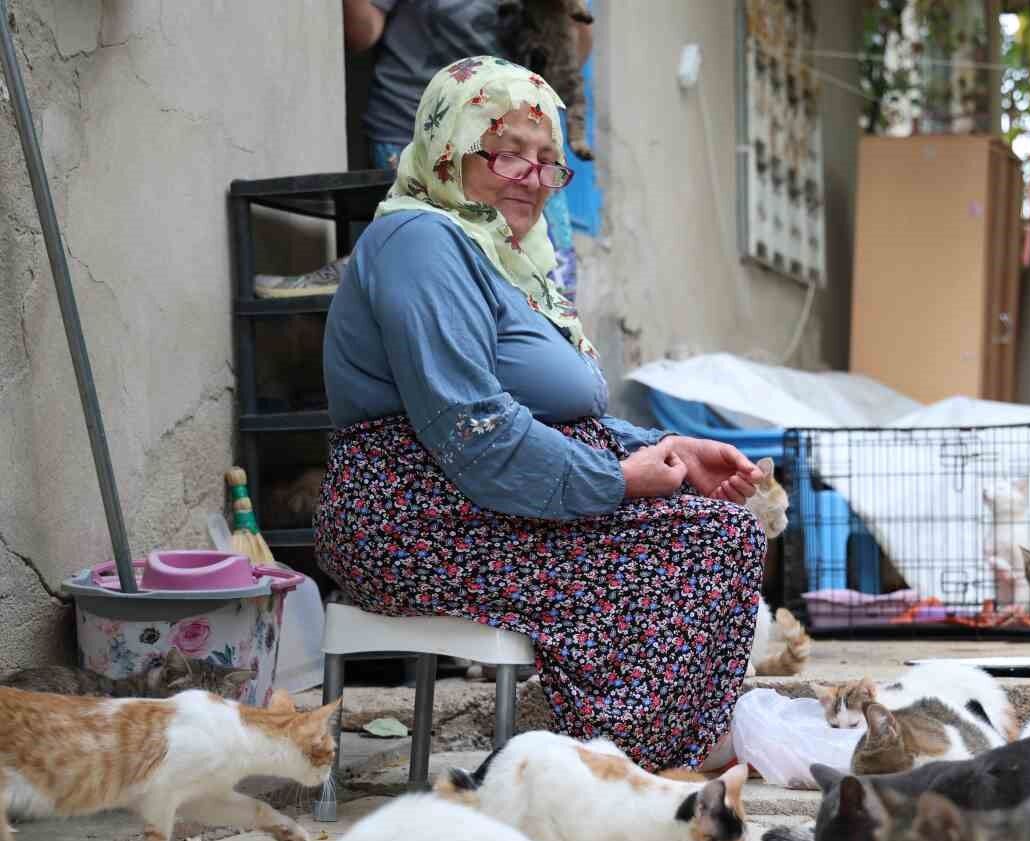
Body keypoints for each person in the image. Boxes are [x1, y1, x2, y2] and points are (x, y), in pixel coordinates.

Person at [315, 58, 766, 773]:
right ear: (448, 148)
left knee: (714, 534)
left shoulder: (503, 259)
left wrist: (668, 448)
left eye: (547, 160)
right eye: (507, 153)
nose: (532, 175)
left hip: (480, 501)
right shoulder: (421, 243)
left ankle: (641, 755)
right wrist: (618, 481)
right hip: (413, 515)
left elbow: (556, 415)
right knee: (697, 544)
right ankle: (610, 771)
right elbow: (472, 429)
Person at [343, 0, 587, 304]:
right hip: (422, 130)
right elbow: (361, 32)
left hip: (516, 135)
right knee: (450, 273)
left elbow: (566, 60)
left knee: (554, 284)